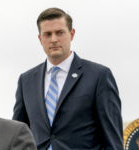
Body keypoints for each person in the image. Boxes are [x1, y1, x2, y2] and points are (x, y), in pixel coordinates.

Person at [13, 7, 124, 150]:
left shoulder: (99, 76)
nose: (54, 39)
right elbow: (17, 135)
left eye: (60, 33)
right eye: (47, 34)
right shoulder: (26, 80)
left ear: (72, 34)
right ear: (40, 39)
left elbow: (112, 138)